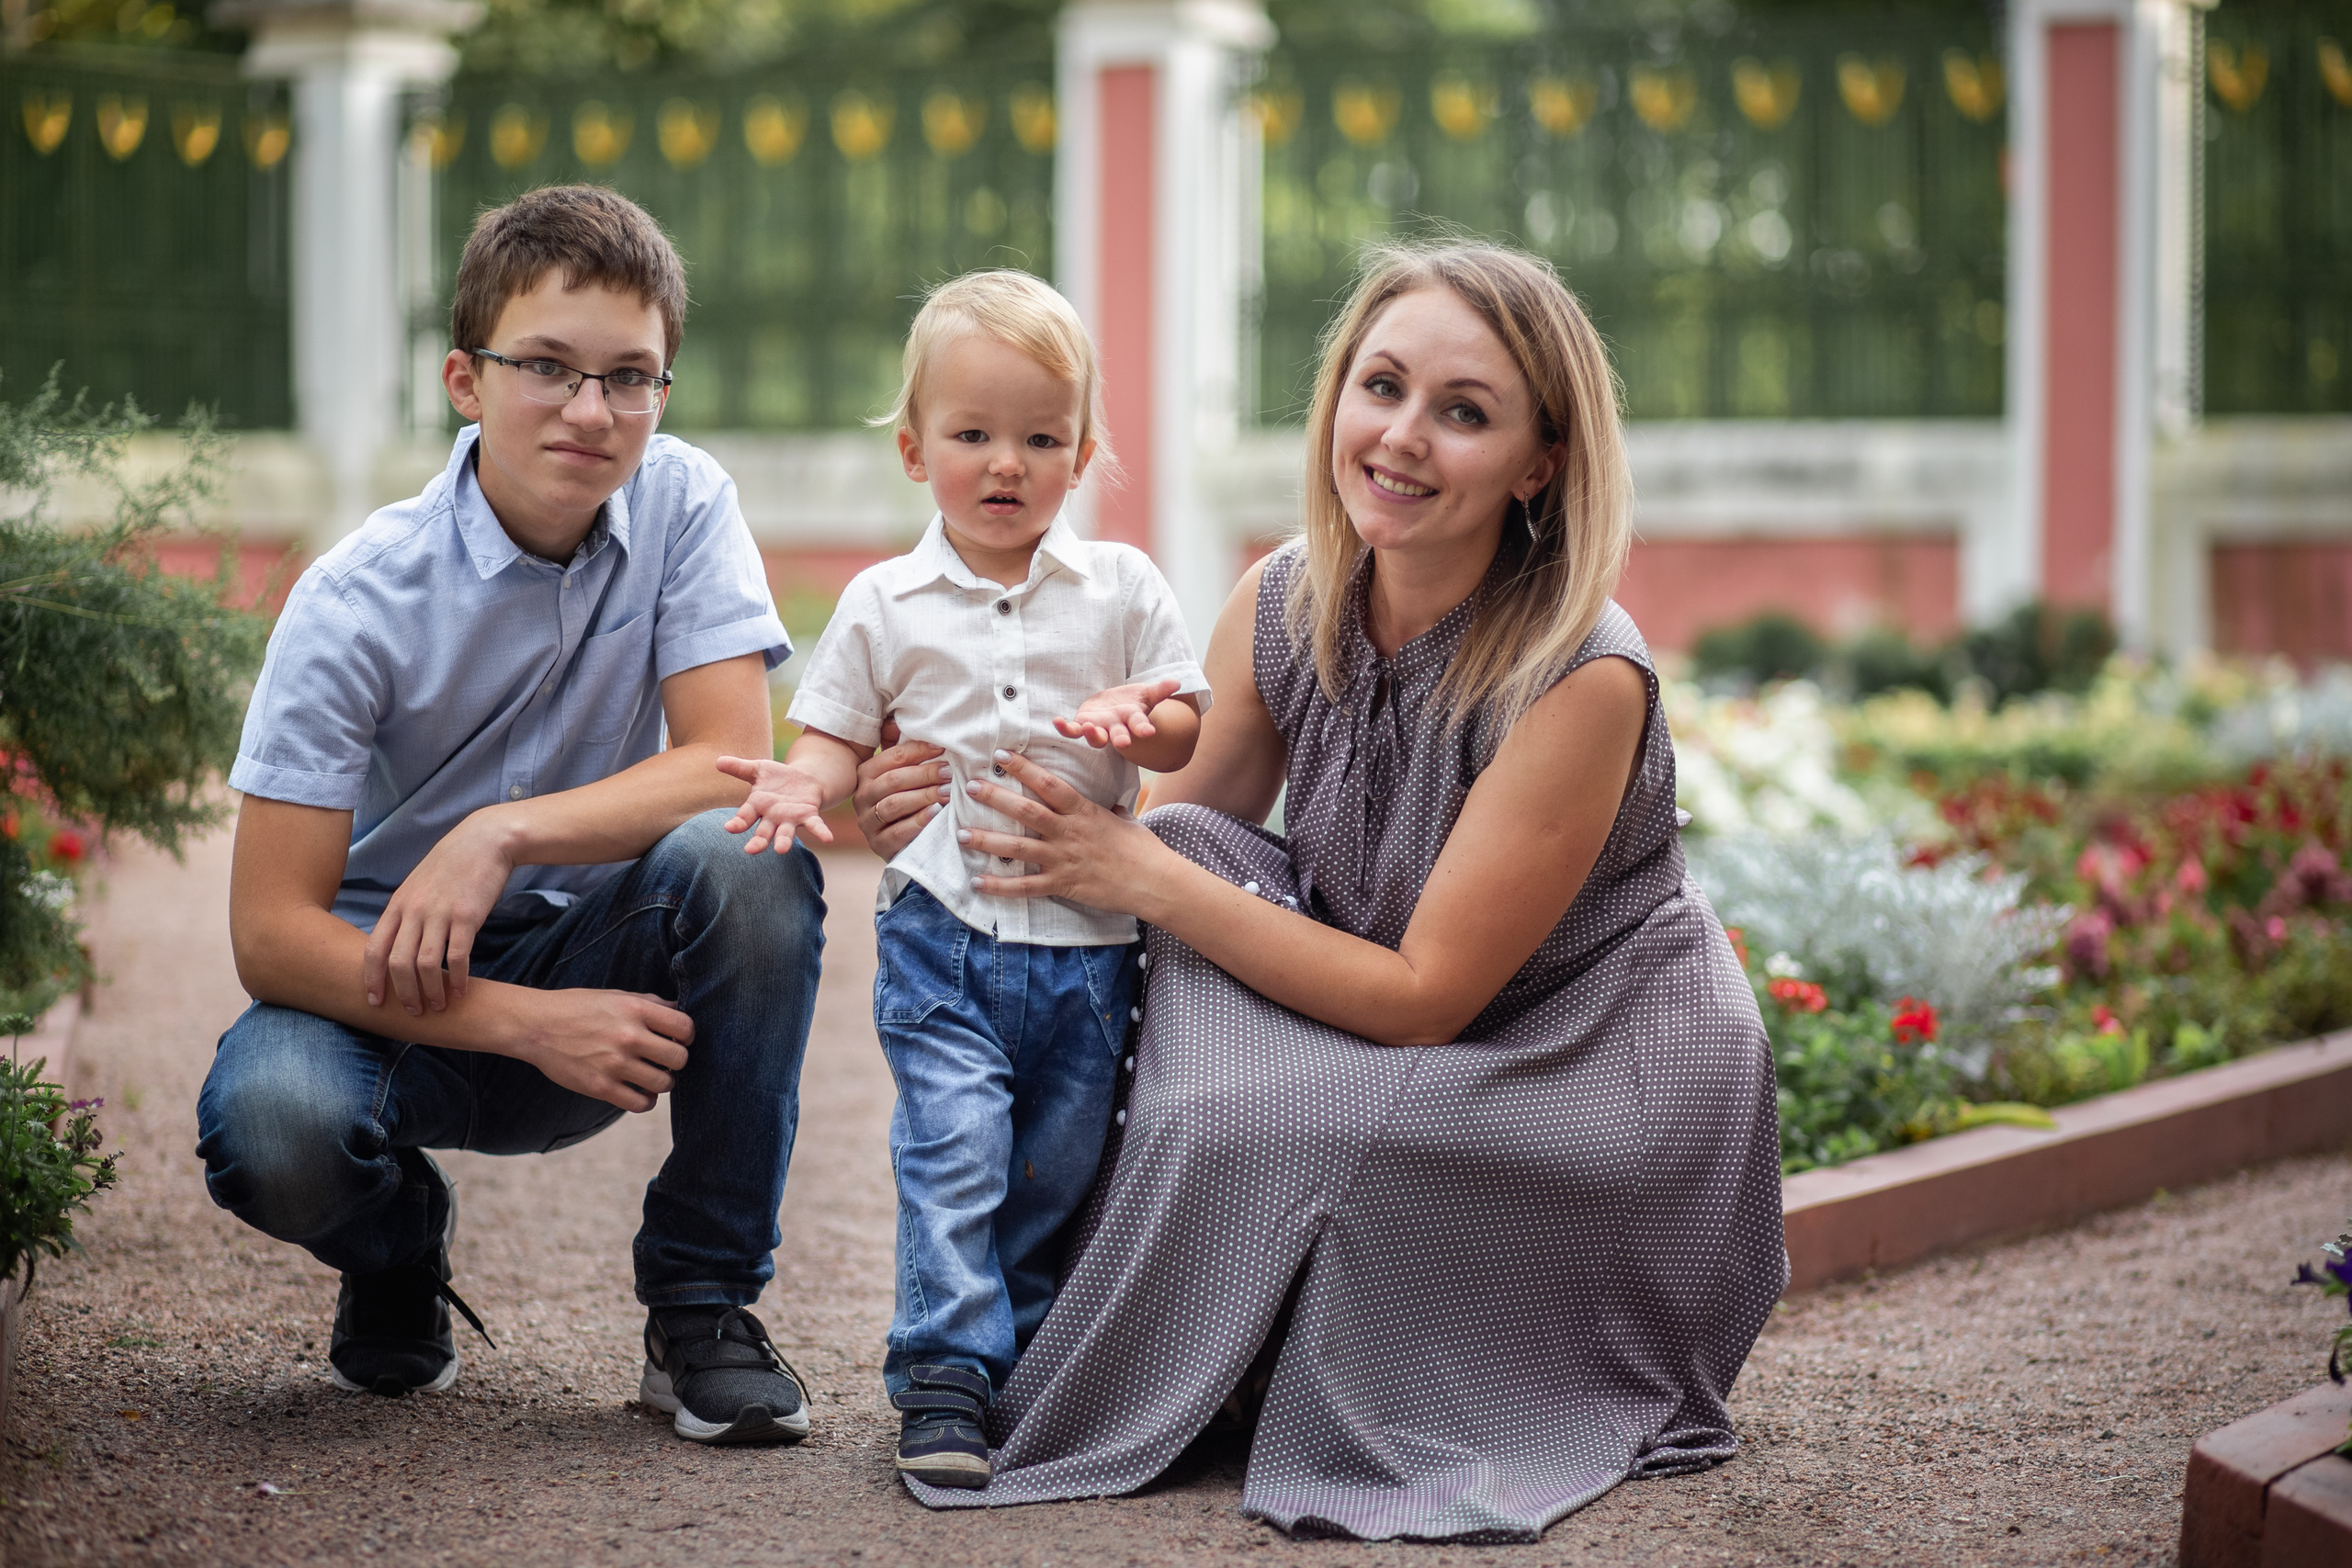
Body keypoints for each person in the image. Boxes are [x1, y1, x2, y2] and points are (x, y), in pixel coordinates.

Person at [850, 240, 1786, 1540]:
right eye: (1382, 386)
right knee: (1180, 886)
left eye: (1464, 412)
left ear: (1541, 462)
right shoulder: (1289, 595)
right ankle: (1157, 1324)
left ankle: (1236, 1341)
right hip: (1385, 994)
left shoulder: (1583, 677)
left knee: (1260, 1118)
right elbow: (1165, 829)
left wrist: (1141, 872)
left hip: (1578, 1055)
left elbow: (1425, 1000)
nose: (1402, 436)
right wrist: (934, 790)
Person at [196, 186, 822, 1447]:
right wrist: (529, 1022)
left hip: (607, 973)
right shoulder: (355, 600)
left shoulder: (686, 504)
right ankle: (393, 1245)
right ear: (466, 382)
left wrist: (501, 833)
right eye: (548, 366)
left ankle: (700, 1306)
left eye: (630, 378)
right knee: (275, 1128)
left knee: (753, 859)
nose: (593, 411)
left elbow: (728, 766)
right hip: (384, 999)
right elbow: (270, 935)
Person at [720, 270, 1208, 1490]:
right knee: (955, 1146)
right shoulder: (887, 601)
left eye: (1042, 439)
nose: (1007, 464)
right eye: (973, 435)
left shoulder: (1128, 589)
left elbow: (1186, 728)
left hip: (1092, 951)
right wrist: (803, 782)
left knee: (1056, 1163)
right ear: (913, 448)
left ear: (1084, 451)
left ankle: (1022, 1358)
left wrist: (1137, 725)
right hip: (945, 935)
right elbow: (835, 727)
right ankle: (941, 1372)